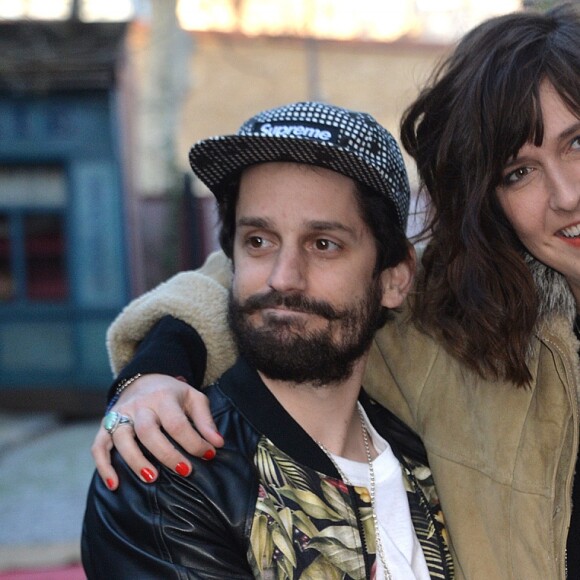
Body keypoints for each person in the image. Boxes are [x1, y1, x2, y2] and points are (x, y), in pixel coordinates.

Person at [90, 3, 580, 578]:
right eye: (517, 171)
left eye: (579, 141)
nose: (566, 194)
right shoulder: (470, 329)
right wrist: (156, 369)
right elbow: (273, 288)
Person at [81, 101, 453, 579]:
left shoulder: (428, 458)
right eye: (259, 240)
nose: (283, 278)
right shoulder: (170, 471)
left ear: (394, 280)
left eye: (324, 244)